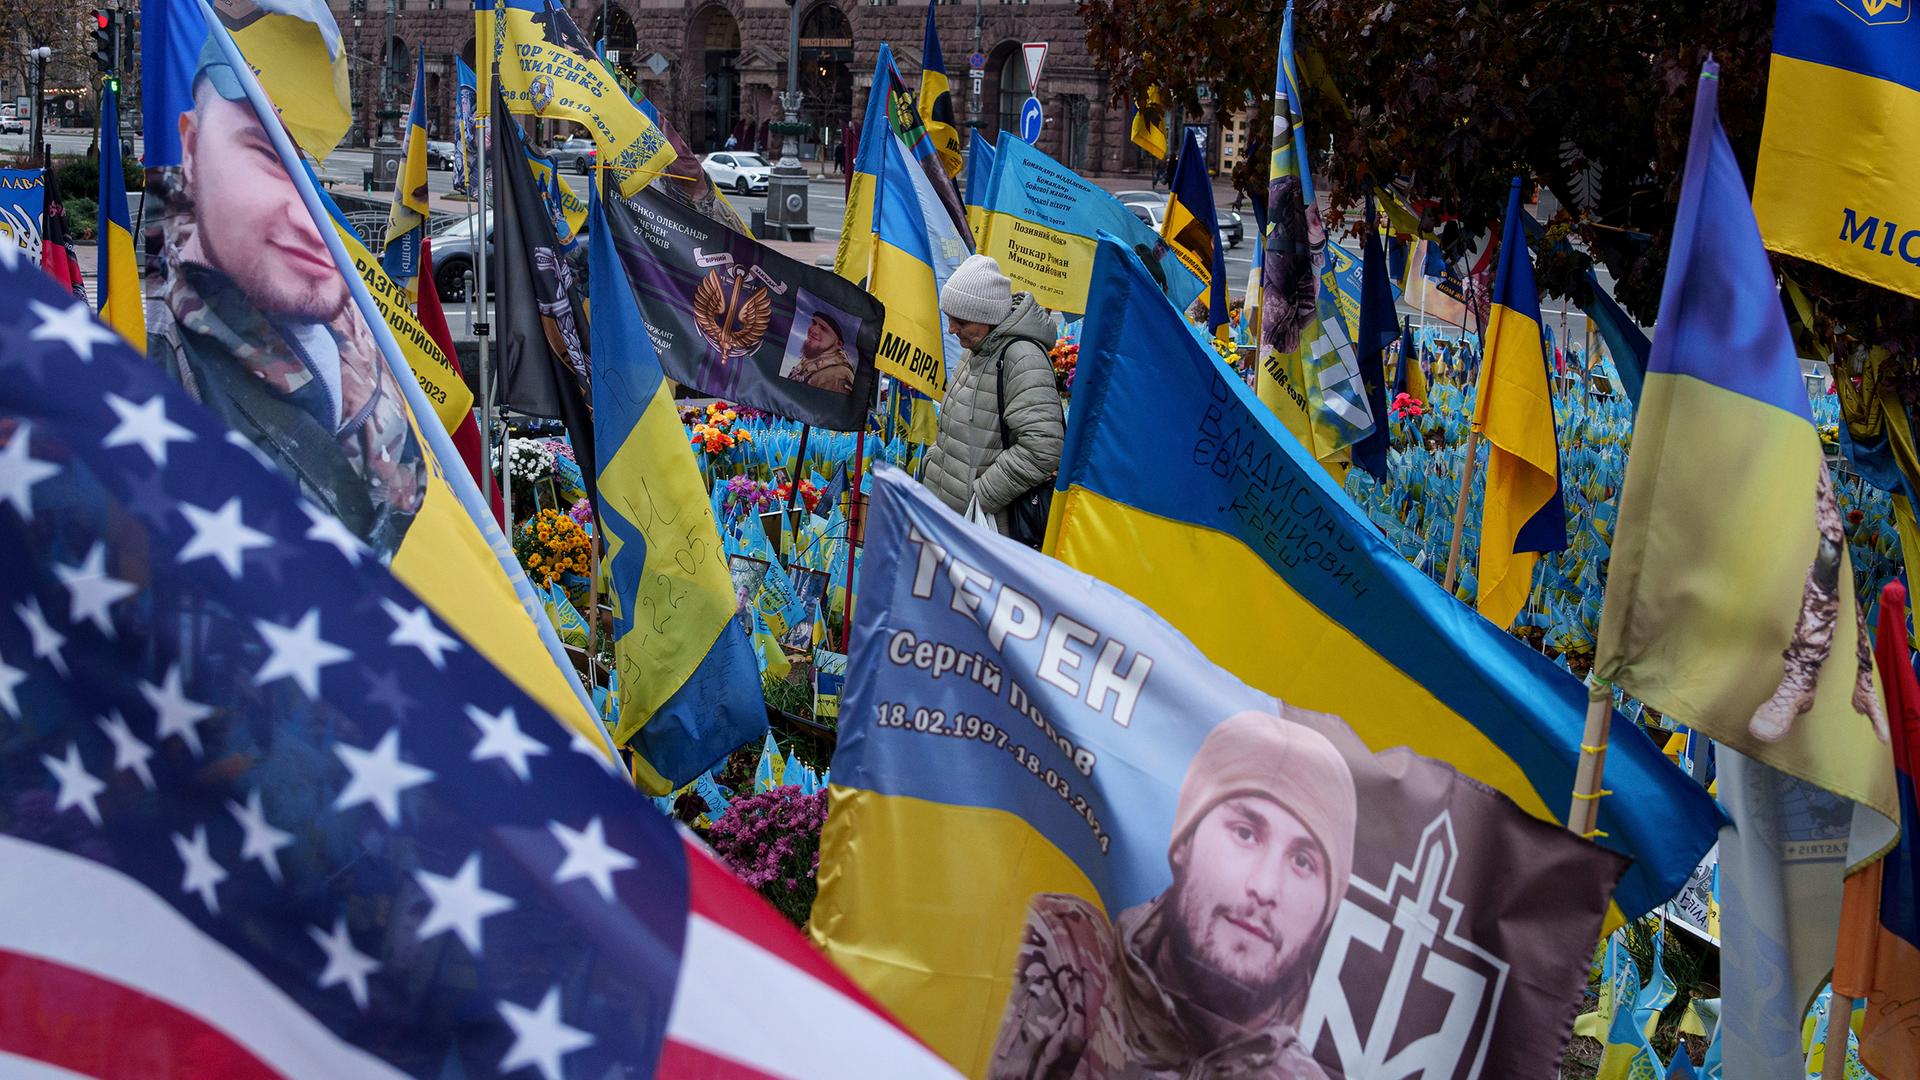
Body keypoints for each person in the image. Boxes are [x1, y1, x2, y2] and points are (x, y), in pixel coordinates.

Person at [151, 39, 426, 559]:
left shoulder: (345, 322)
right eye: (262, 153)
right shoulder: (154, 355)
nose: (306, 213)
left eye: (304, 164)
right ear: (190, 146)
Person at [990, 710, 1358, 1080]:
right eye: (1246, 833)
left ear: (1326, 913)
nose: (1264, 887)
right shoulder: (1066, 953)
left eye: (1302, 861)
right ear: (1185, 842)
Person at [922, 254, 1063, 543]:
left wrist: (982, 495)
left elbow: (1043, 447)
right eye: (949, 318)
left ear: (987, 318)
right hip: (955, 518)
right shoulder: (976, 350)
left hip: (987, 529)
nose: (951, 329)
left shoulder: (1022, 358)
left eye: (960, 320)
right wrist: (932, 466)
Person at [785, 312, 856, 394]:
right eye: (814, 323)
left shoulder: (837, 375)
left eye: (823, 329)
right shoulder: (812, 360)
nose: (813, 330)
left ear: (838, 344)